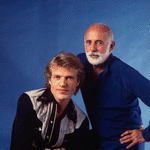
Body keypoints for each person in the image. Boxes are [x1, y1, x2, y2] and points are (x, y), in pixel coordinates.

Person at [77, 23, 150, 150]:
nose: (92, 48)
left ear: (111, 46)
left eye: (99, 43)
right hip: (96, 142)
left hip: (124, 145)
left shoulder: (126, 74)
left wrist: (146, 134)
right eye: (88, 42)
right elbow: (57, 74)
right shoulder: (80, 63)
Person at [10, 52, 89, 150]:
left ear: (77, 82)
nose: (63, 84)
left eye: (69, 78)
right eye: (57, 77)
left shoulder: (80, 120)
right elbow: (18, 148)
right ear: (50, 80)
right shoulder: (30, 101)